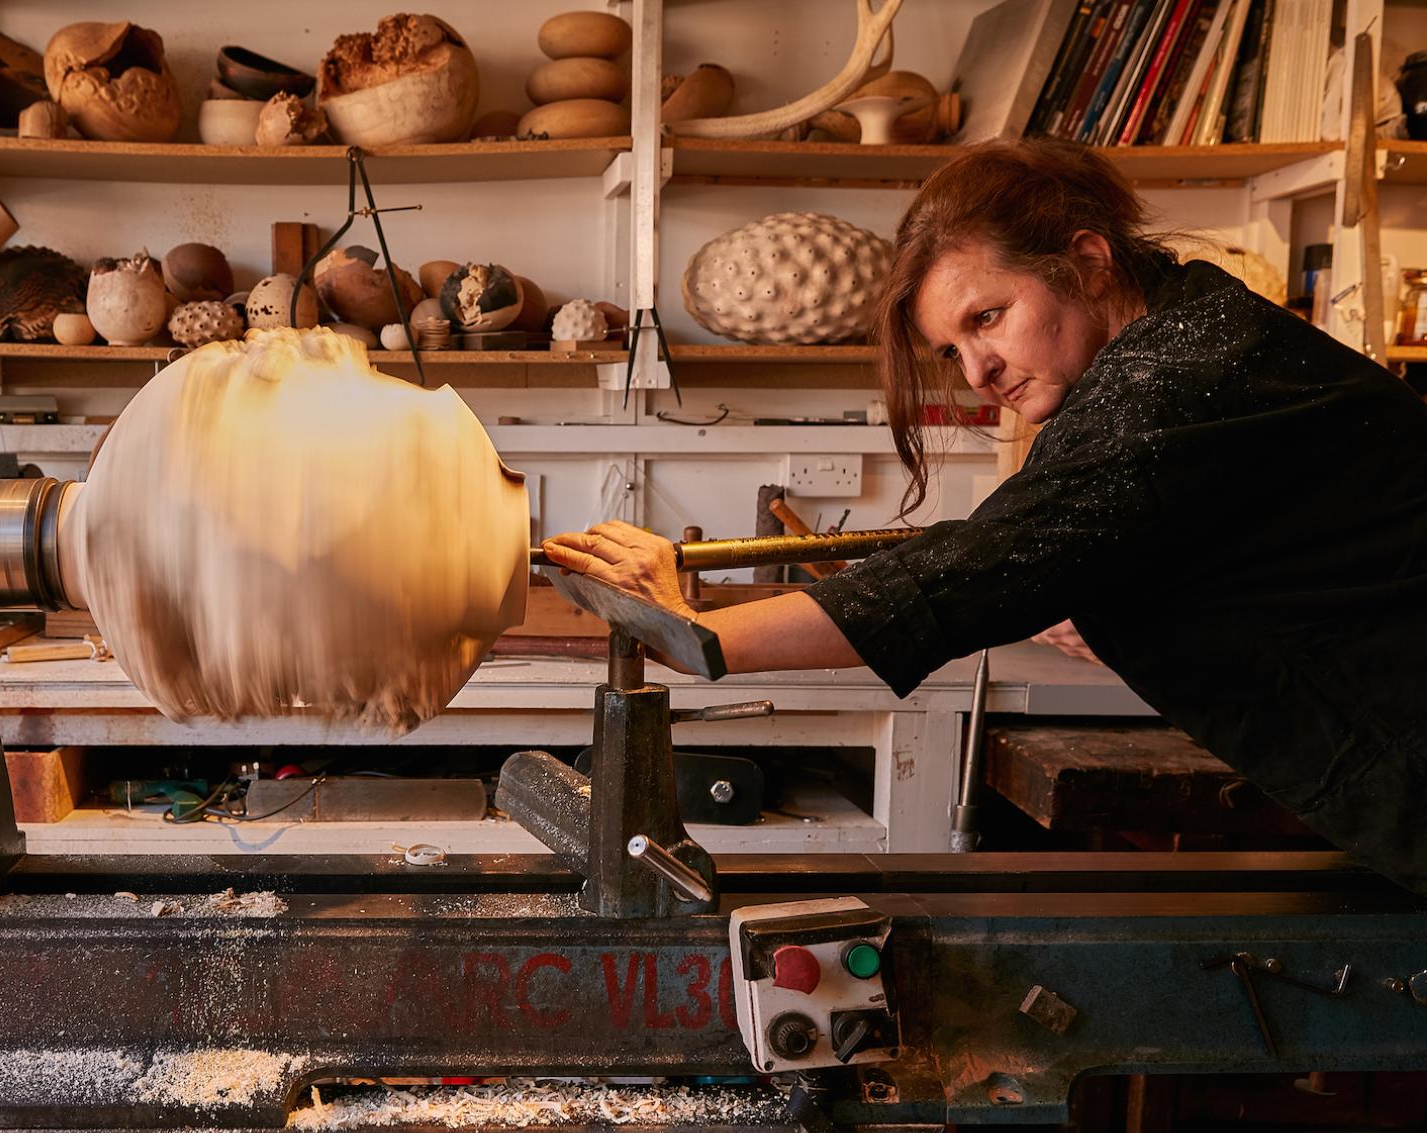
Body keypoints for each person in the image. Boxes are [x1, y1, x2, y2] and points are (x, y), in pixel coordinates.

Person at [542, 138, 1427, 890]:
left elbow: (985, 565)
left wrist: (697, 629)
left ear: (1087, 260)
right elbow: (1057, 539)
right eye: (953, 348)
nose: (978, 372)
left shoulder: (1172, 382)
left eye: (989, 318)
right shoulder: (1178, 336)